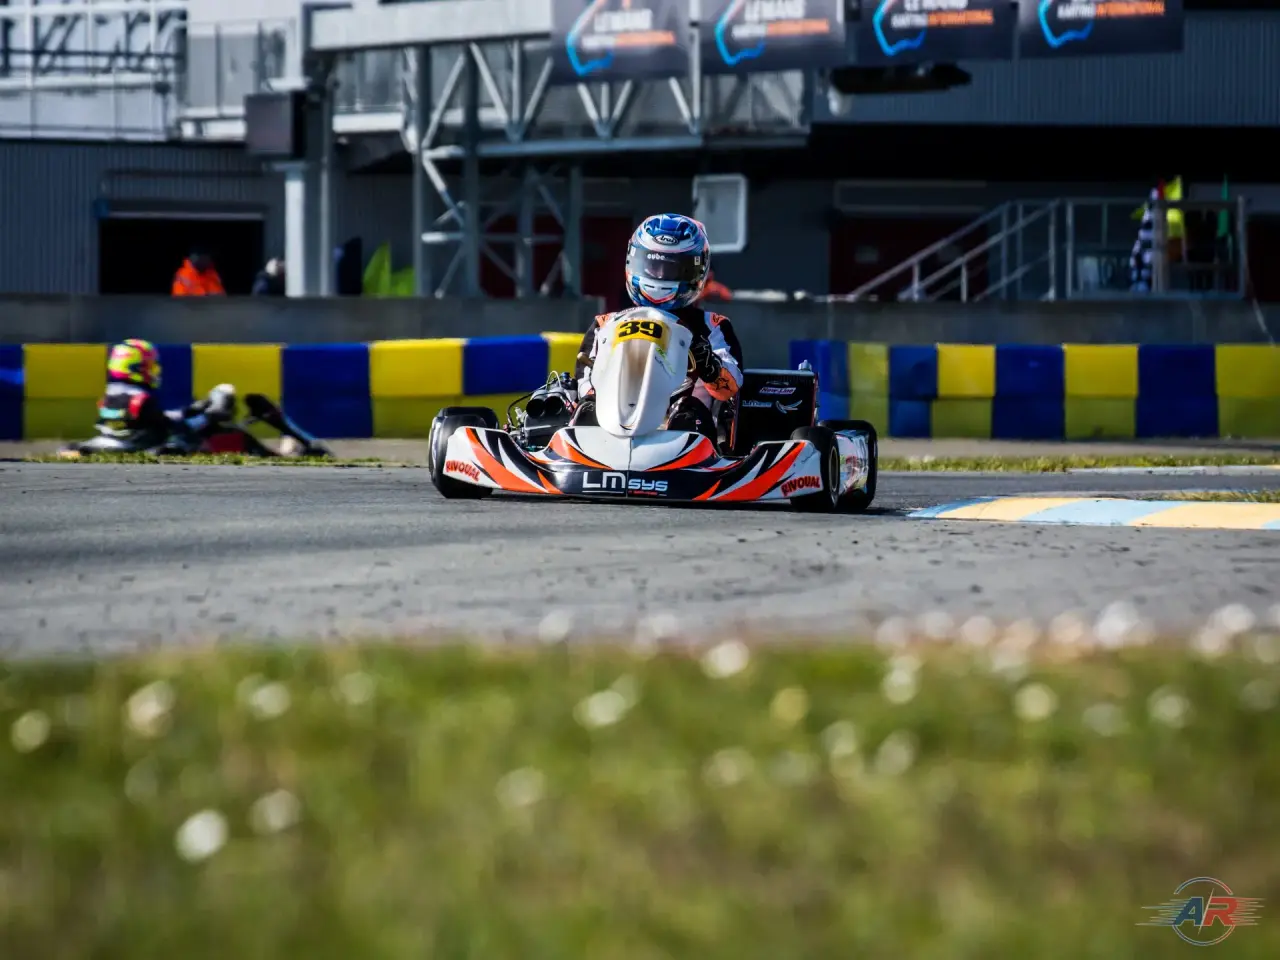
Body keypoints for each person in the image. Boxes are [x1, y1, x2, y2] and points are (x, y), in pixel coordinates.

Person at [572, 213, 743, 444]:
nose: (661, 277)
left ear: (696, 271)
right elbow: (584, 382)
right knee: (587, 408)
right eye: (653, 266)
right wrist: (594, 398)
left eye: (673, 269)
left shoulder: (712, 326)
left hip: (684, 437)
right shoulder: (606, 324)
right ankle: (587, 443)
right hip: (610, 430)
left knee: (688, 412)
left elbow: (729, 389)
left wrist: (709, 365)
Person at [96, 339, 235, 448]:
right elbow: (169, 427)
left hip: (116, 438)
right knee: (187, 438)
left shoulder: (110, 395)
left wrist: (190, 410)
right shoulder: (141, 398)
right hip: (146, 445)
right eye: (150, 364)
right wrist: (208, 417)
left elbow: (156, 418)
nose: (154, 369)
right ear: (137, 366)